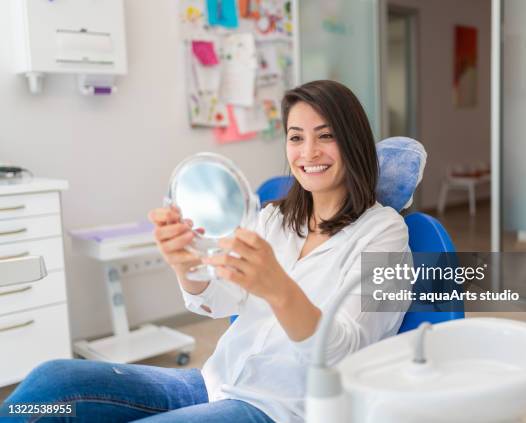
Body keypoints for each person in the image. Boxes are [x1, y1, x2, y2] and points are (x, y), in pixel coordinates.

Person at [3, 80, 408, 423]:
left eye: (326, 135)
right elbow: (218, 301)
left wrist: (279, 290)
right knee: (53, 385)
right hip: (211, 383)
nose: (308, 153)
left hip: (281, 409)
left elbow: (348, 352)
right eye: (296, 137)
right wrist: (187, 266)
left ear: (352, 140)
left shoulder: (387, 234)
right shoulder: (274, 220)